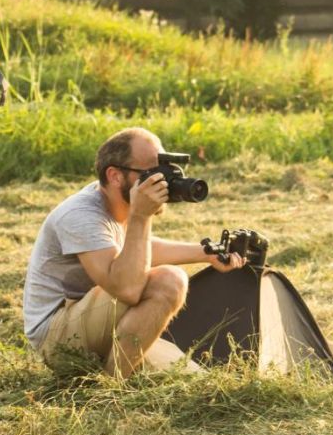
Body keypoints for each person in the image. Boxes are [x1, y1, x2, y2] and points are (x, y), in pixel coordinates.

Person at [23, 127, 247, 377]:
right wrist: (141, 215)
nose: (163, 180)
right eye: (152, 172)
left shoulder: (117, 198)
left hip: (96, 318)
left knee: (195, 376)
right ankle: (113, 386)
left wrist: (206, 252)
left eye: (165, 169)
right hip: (57, 336)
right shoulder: (81, 215)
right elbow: (127, 289)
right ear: (115, 176)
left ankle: (117, 370)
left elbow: (137, 251)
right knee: (169, 281)